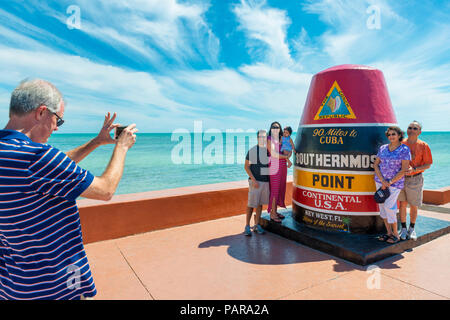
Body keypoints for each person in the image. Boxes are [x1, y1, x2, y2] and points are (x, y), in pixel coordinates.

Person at [0, 79, 138, 300]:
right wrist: (122, 147)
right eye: (58, 120)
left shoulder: (15, 154)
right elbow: (105, 190)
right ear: (41, 112)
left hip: (13, 284)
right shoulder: (37, 157)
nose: (56, 128)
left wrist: (96, 142)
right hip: (54, 285)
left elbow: (53, 168)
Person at [373, 126, 411, 244]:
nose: (391, 137)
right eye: (389, 135)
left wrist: (389, 182)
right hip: (380, 182)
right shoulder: (383, 148)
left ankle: (395, 234)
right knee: (382, 208)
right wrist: (382, 180)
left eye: (393, 134)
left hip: (394, 184)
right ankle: (388, 233)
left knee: (390, 207)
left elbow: (404, 169)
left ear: (399, 135)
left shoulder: (404, 149)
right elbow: (376, 165)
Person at [398, 121, 433, 241]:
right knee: (402, 204)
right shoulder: (401, 144)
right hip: (401, 178)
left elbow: (428, 164)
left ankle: (412, 228)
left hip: (415, 179)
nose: (411, 130)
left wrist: (415, 169)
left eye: (415, 128)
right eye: (409, 127)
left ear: (419, 132)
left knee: (413, 205)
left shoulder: (423, 145)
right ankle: (403, 228)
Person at [243, 130, 270, 236]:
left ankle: (257, 225)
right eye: (260, 136)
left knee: (259, 205)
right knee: (251, 204)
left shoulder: (268, 151)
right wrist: (254, 180)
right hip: (255, 182)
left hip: (265, 182)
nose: (262, 138)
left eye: (264, 136)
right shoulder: (253, 150)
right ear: (257, 138)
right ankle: (247, 226)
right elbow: (246, 167)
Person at [266, 122, 292, 223]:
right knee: (275, 190)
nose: (275, 128)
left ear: (280, 129)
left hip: (282, 167)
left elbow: (287, 149)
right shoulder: (269, 139)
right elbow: (273, 154)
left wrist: (289, 153)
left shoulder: (282, 139)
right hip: (274, 166)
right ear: (271, 129)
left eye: (277, 127)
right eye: (273, 127)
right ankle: (272, 214)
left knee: (280, 188)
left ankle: (275, 211)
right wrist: (286, 157)